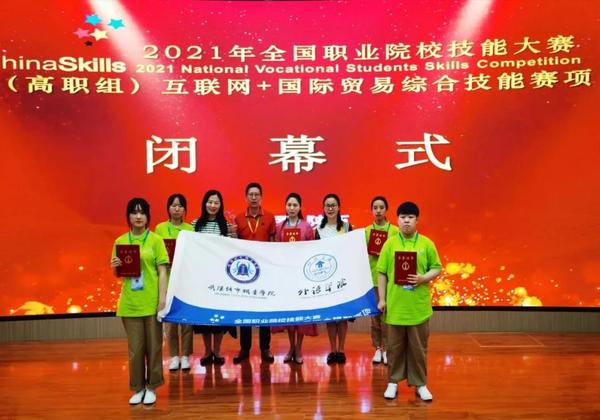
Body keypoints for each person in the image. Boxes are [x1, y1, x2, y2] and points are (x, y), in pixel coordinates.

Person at [377, 201, 442, 402]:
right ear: (397, 220)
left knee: (418, 349)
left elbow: (437, 267)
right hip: (395, 307)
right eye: (403, 217)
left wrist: (423, 278)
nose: (406, 221)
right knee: (394, 348)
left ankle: (420, 384)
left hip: (418, 308)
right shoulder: (390, 244)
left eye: (410, 217)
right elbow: (381, 272)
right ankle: (393, 382)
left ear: (417, 220)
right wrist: (382, 299)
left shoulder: (426, 244)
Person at [110, 198, 169, 405]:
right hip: (130, 303)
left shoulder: (155, 240)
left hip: (151, 302)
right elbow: (118, 274)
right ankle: (137, 388)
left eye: (142, 212)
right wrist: (115, 266)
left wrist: (162, 299)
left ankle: (152, 387)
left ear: (147, 216)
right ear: (128, 216)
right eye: (134, 212)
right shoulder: (120, 241)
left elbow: (162, 272)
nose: (138, 216)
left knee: (153, 348)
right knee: (135, 350)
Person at [192, 190, 237, 366]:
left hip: (220, 278)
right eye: (210, 202)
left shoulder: (226, 225)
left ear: (221, 205)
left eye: (216, 203)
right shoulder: (195, 224)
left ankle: (217, 351)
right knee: (205, 318)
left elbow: (232, 250)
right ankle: (207, 351)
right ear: (204, 203)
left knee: (218, 319)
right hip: (202, 278)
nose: (212, 205)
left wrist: (234, 236)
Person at [272, 193, 318, 365]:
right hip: (285, 276)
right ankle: (291, 347)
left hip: (301, 276)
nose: (292, 208)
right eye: (289, 205)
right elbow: (275, 250)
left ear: (300, 207)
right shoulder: (279, 227)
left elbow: (311, 251)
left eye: (295, 205)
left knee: (300, 315)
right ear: (285, 207)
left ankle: (299, 348)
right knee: (289, 315)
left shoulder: (307, 227)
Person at [233, 182, 276, 363]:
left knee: (265, 310)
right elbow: (234, 244)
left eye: (256, 194)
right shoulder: (238, 219)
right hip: (245, 272)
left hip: (264, 271)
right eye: (250, 194)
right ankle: (245, 348)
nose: (253, 197)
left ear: (261, 197)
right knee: (245, 310)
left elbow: (273, 243)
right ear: (246, 197)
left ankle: (265, 348)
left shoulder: (270, 217)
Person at [155, 193, 195, 371]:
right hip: (168, 279)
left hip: (185, 280)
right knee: (170, 321)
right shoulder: (160, 228)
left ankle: (185, 355)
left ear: (184, 209)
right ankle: (174, 356)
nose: (177, 209)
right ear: (168, 208)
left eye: (180, 206)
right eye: (173, 205)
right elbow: (157, 252)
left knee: (186, 321)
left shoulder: (190, 229)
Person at [315, 193, 353, 365]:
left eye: (333, 205)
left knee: (342, 317)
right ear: (324, 208)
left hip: (343, 277)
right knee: (331, 317)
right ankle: (332, 350)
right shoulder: (319, 230)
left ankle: (341, 350)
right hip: (326, 278)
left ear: (339, 207)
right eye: (327, 205)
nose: (330, 208)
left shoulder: (347, 227)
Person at [364, 196, 399, 365]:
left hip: (390, 280)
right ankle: (377, 348)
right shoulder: (366, 231)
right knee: (375, 317)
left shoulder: (395, 231)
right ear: (372, 210)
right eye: (375, 208)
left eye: (381, 207)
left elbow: (399, 252)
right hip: (372, 279)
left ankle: (387, 349)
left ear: (386, 210)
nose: (378, 211)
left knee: (387, 316)